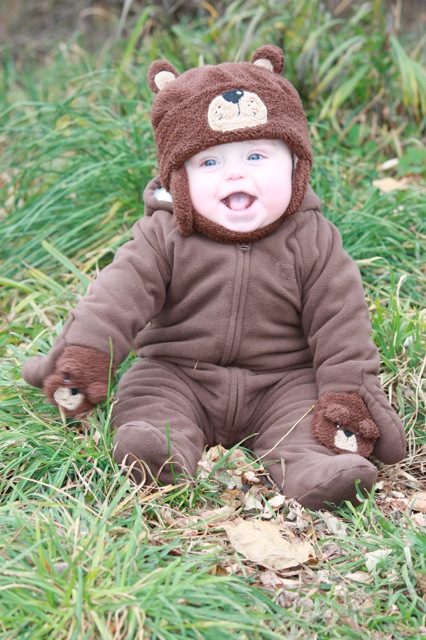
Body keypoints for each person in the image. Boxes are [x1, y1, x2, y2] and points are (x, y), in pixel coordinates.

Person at [22, 45, 406, 510]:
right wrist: (84, 356)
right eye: (209, 162)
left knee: (304, 419)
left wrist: (349, 395)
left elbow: (341, 324)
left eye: (257, 157)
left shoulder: (315, 239)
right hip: (179, 372)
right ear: (178, 178)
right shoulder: (163, 236)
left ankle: (314, 472)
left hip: (282, 379)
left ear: (295, 164)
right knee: (149, 401)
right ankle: (159, 454)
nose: (235, 174)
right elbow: (115, 299)